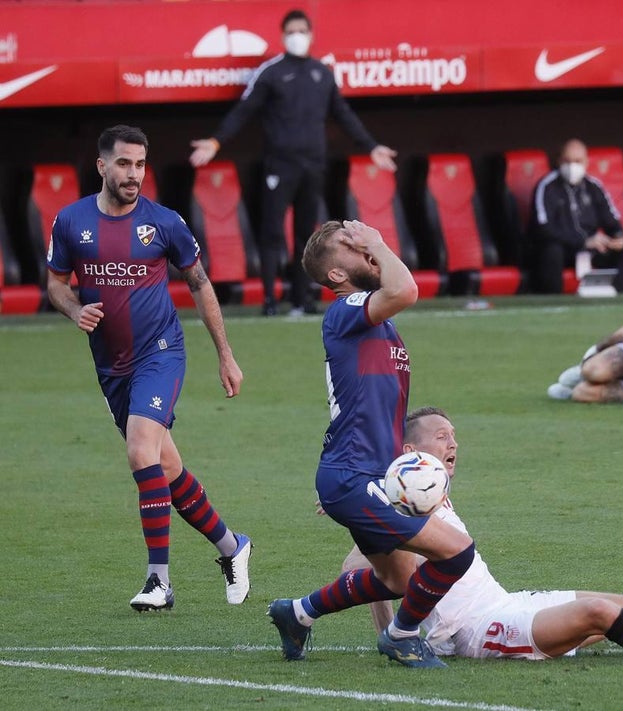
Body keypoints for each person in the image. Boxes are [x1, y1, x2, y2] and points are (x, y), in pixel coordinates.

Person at [337, 407, 623, 661]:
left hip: (506, 603)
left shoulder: (427, 490)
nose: (453, 442)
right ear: (412, 451)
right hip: (478, 631)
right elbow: (359, 565)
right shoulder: (393, 506)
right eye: (441, 435)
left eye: (454, 434)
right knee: (599, 611)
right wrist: (400, 634)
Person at [45, 124, 252, 611]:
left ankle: (159, 581)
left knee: (142, 452)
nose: (133, 174)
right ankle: (232, 546)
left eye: (140, 164)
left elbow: (199, 284)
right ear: (102, 166)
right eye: (123, 164)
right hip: (111, 365)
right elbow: (56, 283)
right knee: (167, 467)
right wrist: (76, 310)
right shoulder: (71, 222)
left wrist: (225, 353)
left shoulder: (165, 223)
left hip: (160, 352)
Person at [266, 219, 475, 669]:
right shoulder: (345, 311)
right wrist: (378, 241)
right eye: (350, 245)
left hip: (364, 476)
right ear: (337, 275)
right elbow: (406, 290)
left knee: (398, 579)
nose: (362, 247)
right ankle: (402, 636)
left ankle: (298, 613)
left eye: (361, 241)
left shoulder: (379, 322)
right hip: (353, 475)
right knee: (456, 550)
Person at [189, 8, 398, 317]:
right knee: (272, 231)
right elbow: (244, 110)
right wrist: (216, 140)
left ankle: (304, 299)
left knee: (308, 235)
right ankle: (271, 300)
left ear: (311, 35)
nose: (297, 36)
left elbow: (344, 114)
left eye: (302, 31)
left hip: (313, 165)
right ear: (283, 35)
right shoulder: (272, 72)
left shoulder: (321, 73)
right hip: (280, 165)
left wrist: (371, 146)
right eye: (291, 31)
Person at [531, 138, 623, 293]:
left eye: (577, 161)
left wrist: (617, 236)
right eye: (567, 161)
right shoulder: (547, 186)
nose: (572, 166)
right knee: (552, 250)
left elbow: (611, 220)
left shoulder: (594, 186)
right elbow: (543, 229)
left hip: (592, 249)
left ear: (586, 162)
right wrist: (583, 241)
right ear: (559, 161)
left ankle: (617, 294)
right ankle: (553, 299)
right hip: (564, 249)